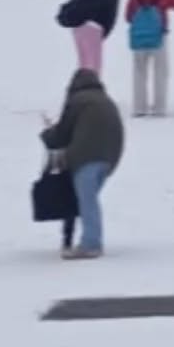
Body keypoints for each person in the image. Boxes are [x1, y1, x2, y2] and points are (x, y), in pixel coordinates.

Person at [40, 68, 124, 259]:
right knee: (88, 200)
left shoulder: (77, 101)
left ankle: (91, 244)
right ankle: (87, 239)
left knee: (87, 202)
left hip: (87, 156)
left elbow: (62, 134)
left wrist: (46, 135)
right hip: (110, 157)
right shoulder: (105, 100)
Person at [56, 0, 124, 73]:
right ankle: (91, 87)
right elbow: (109, 17)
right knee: (94, 65)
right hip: (94, 29)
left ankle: (81, 86)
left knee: (83, 62)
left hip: (78, 28)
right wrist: (103, 33)